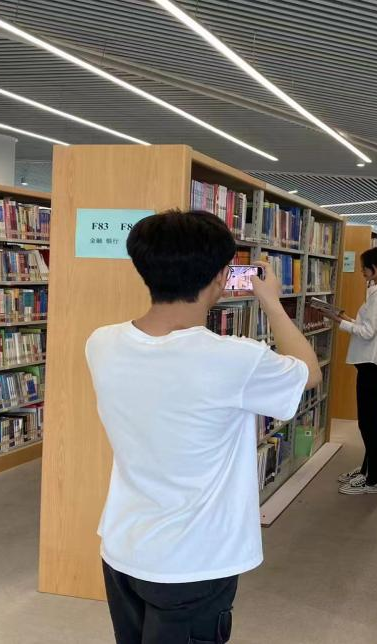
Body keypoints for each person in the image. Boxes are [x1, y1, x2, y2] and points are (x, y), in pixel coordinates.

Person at [84, 210, 322, 644]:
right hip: (194, 560)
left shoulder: (101, 342)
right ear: (220, 277)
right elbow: (309, 372)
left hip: (123, 547)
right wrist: (271, 301)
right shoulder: (236, 359)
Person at [319, 245, 377, 495]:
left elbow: (367, 332)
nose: (362, 270)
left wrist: (341, 323)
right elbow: (368, 326)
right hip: (371, 360)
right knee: (368, 420)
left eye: (366, 266)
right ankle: (368, 469)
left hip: (373, 363)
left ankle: (374, 479)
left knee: (368, 422)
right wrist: (344, 318)